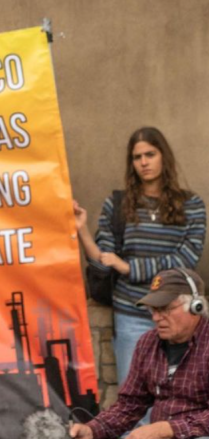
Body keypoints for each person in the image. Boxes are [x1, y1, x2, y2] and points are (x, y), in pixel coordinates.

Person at [74, 127, 206, 385]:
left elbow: (185, 260)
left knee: (179, 401)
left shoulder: (192, 205)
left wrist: (128, 268)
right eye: (137, 157)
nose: (144, 162)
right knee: (133, 402)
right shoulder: (118, 205)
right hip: (131, 315)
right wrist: (82, 231)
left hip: (179, 315)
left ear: (163, 157)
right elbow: (104, 260)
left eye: (150, 154)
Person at [69, 268, 209, 439]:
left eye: (165, 309)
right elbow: (130, 404)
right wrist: (93, 429)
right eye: (154, 310)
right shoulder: (148, 343)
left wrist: (167, 429)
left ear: (196, 307)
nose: (156, 318)